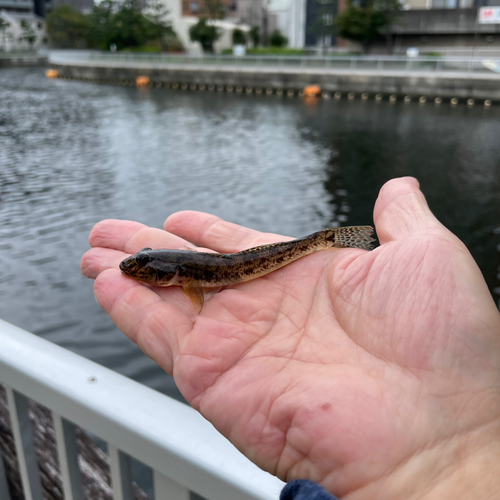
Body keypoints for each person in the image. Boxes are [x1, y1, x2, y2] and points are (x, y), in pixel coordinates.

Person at [81, 177, 500, 500]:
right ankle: (329, 241)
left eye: (144, 269)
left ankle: (331, 241)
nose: (139, 270)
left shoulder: (189, 276)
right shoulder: (182, 273)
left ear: (173, 274)